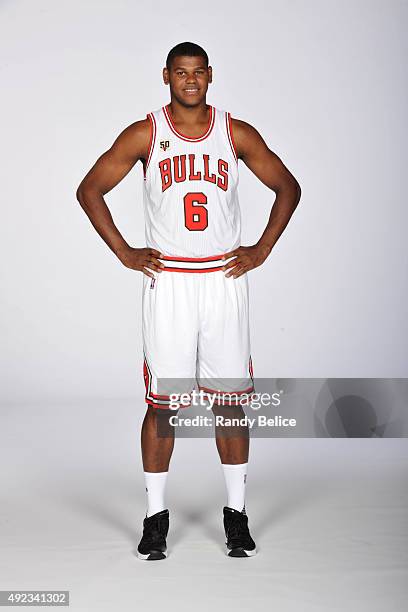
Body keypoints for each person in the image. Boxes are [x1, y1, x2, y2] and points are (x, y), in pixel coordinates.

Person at [76, 41, 301, 560]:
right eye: (181, 73)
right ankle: (156, 516)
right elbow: (90, 189)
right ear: (166, 77)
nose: (191, 81)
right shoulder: (145, 133)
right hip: (171, 280)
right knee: (163, 406)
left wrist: (262, 248)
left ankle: (236, 515)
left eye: (199, 72)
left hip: (223, 279)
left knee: (230, 403)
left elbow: (287, 186)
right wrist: (126, 253)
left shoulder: (235, 132)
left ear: (211, 76)